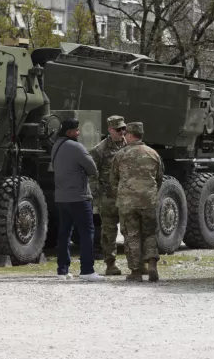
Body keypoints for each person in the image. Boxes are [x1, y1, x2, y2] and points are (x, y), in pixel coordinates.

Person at [110, 122, 164, 282]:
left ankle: (136, 271)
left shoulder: (120, 155)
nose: (124, 136)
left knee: (131, 236)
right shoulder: (153, 154)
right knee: (150, 234)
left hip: (127, 203)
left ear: (131, 135)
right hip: (148, 201)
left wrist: (120, 194)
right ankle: (152, 265)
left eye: (126, 134)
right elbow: (159, 178)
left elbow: (113, 180)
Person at [51, 118, 102, 281]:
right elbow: (92, 168)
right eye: (76, 130)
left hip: (61, 197)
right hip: (78, 197)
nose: (79, 132)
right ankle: (87, 270)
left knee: (64, 233)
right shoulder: (76, 147)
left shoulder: (56, 146)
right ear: (69, 132)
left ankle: (63, 270)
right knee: (87, 232)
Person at [89, 115, 128, 276]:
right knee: (109, 233)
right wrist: (97, 196)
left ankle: (136, 264)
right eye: (118, 129)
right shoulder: (100, 149)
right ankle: (110, 264)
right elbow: (92, 174)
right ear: (110, 130)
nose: (122, 132)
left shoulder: (130, 145)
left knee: (130, 231)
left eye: (123, 129)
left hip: (128, 197)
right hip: (109, 197)